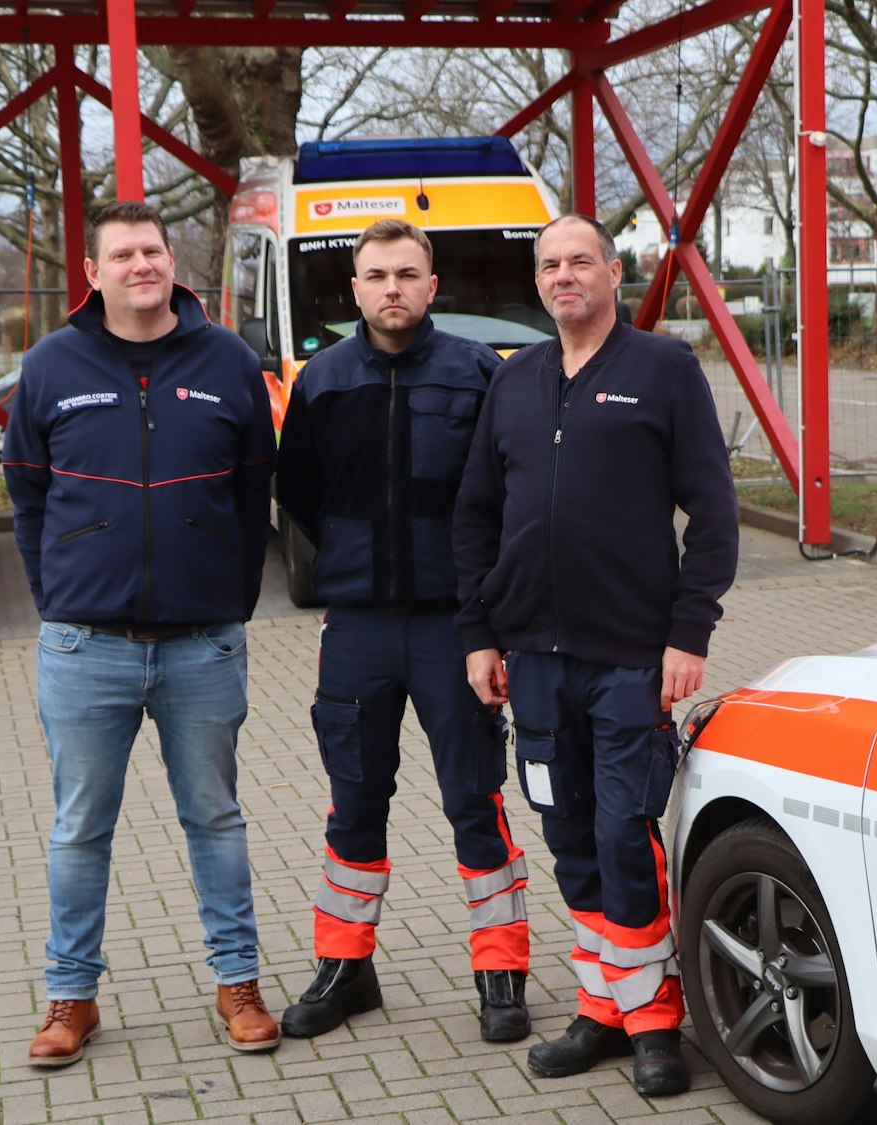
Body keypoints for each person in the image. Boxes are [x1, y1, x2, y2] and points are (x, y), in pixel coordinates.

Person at [452, 214, 739, 1096]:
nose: (564, 275)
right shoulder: (516, 379)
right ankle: (602, 1004)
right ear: (537, 283)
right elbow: (473, 516)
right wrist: (480, 634)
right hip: (532, 655)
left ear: (616, 272)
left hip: (628, 655)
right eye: (549, 264)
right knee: (565, 825)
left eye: (581, 260)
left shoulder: (663, 369)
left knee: (623, 828)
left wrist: (688, 632)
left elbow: (714, 513)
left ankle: (655, 1015)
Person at [3, 200, 280, 1067]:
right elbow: (25, 495)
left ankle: (237, 983)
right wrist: (62, 599)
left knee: (217, 817)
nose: (140, 265)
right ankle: (70, 997)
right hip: (88, 648)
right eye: (121, 253)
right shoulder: (51, 365)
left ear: (172, 260)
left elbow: (252, 491)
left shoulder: (229, 360)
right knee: (80, 827)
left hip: (204, 643)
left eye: (152, 250)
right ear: (94, 271)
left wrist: (228, 603)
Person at [274, 219, 532, 1042]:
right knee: (354, 802)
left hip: (456, 628)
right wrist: (354, 557)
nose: (392, 288)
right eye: (376, 274)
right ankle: (346, 969)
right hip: (356, 627)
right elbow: (301, 492)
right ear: (354, 290)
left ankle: (501, 972)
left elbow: (505, 498)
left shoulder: (477, 375)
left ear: (432, 284)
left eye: (407, 274)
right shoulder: (322, 381)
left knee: (474, 799)